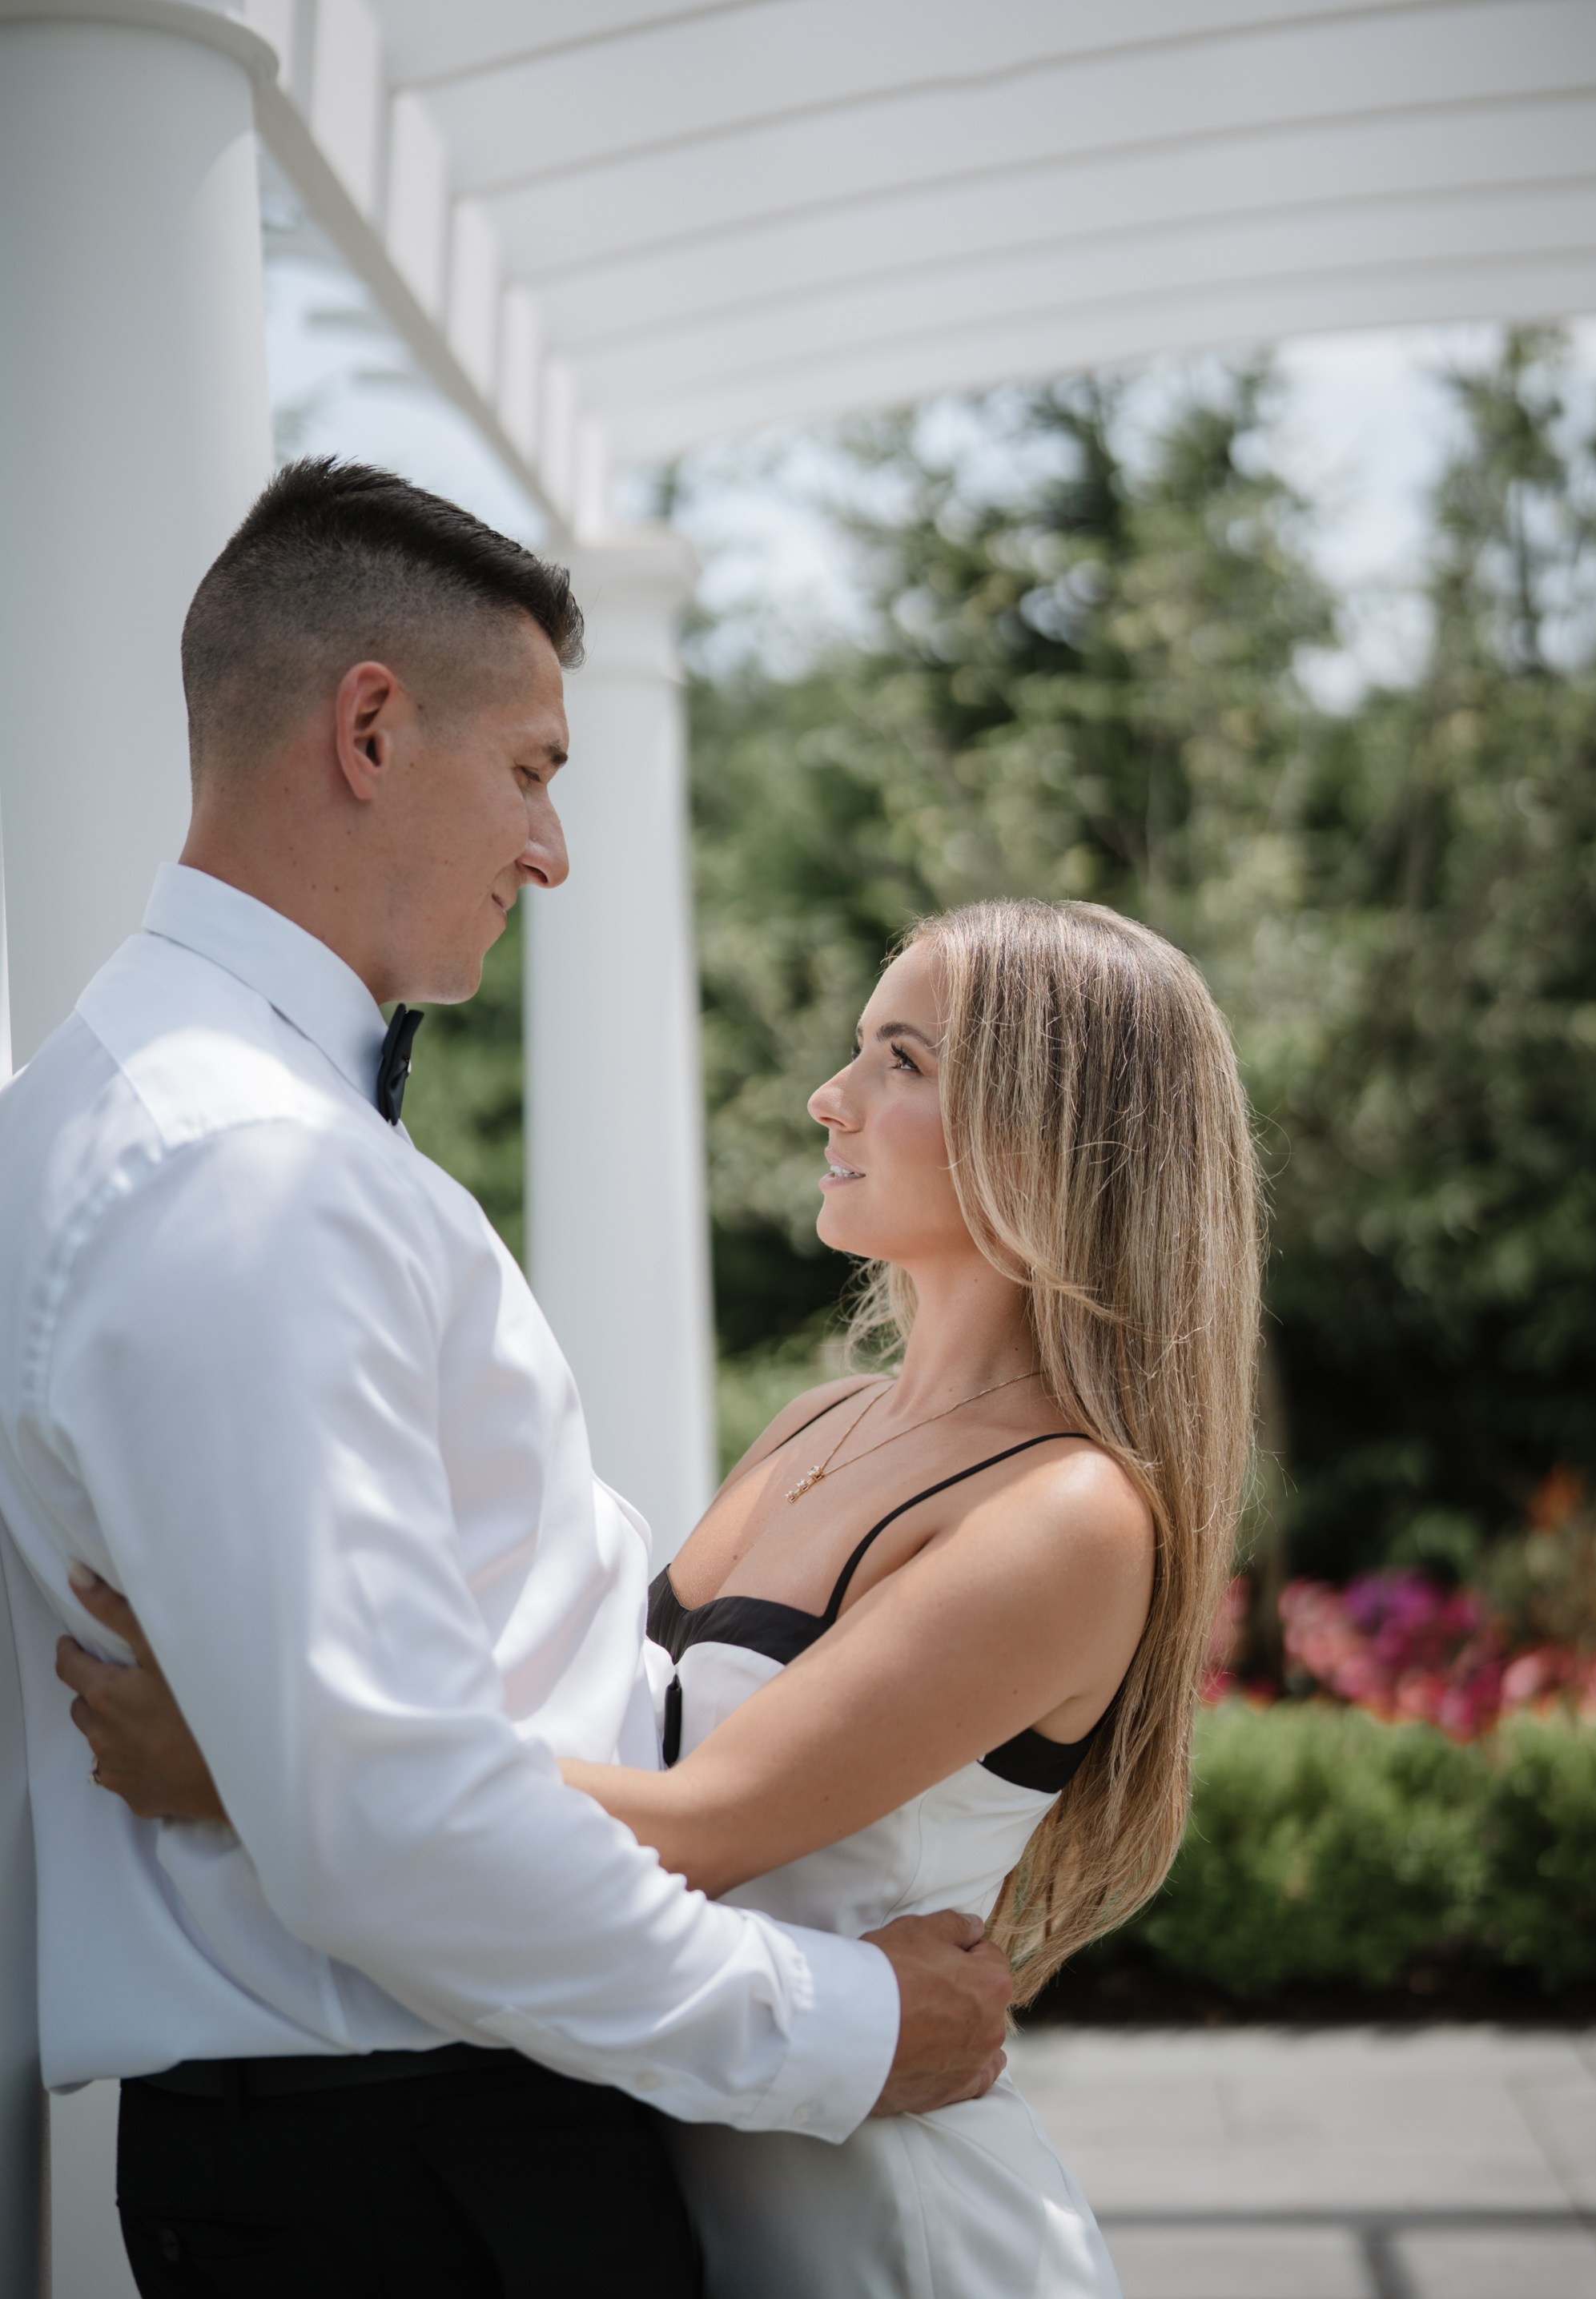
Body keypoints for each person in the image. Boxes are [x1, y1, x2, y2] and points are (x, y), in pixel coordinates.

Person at [0, 459, 1011, 2299]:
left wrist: (263, 1756)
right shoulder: (248, 1169)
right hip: (425, 2173)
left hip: (403, 2140)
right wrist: (847, 2029)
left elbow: (397, 1713)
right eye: (537, 770)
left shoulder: (147, 1107)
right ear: (371, 730)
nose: (552, 851)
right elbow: (394, 1827)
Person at [64, 891, 1263, 2297]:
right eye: (860, 1051)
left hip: (889, 2225)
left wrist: (263, 1759)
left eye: (903, 1063)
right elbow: (611, 1716)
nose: (832, 1098)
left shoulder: (1068, 1511)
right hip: (703, 2164)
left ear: (1054, 1130)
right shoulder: (821, 1427)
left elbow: (697, 1829)